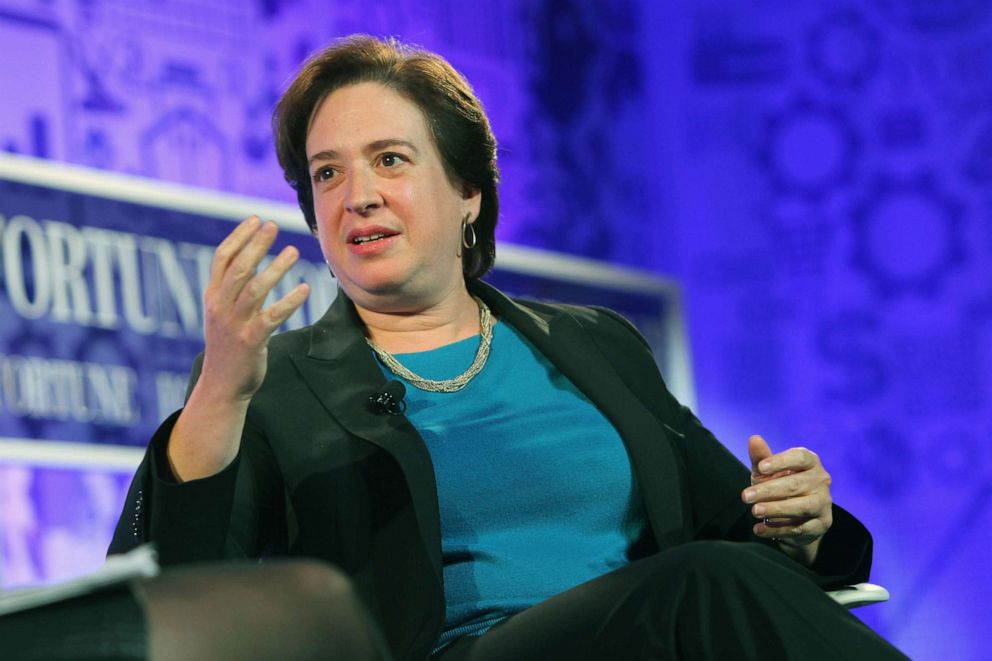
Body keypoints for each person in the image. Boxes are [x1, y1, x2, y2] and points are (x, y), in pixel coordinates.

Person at [105, 35, 906, 660]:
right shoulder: (275, 388)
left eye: (389, 159)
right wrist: (218, 393)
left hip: (655, 636)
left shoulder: (596, 345)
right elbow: (170, 600)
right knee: (706, 582)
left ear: (467, 193)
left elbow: (742, 534)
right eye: (326, 174)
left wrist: (800, 523)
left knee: (730, 574)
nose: (359, 195)